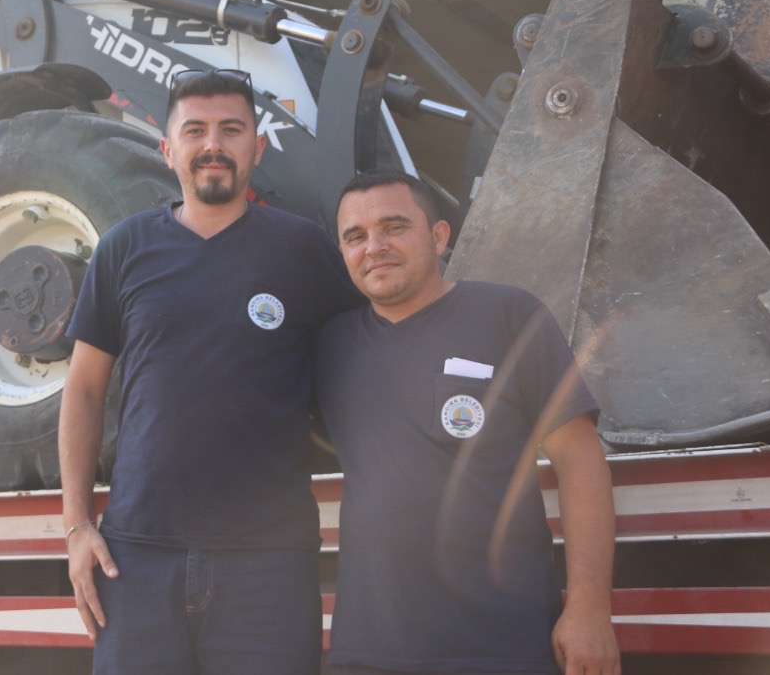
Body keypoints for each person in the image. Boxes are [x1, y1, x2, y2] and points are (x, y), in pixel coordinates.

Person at [59, 67, 363, 674]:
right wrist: (76, 528)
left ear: (258, 145)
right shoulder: (123, 248)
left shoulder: (303, 249)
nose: (212, 145)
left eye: (231, 129)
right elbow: (85, 390)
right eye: (194, 131)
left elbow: (361, 371)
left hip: (269, 561)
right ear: (169, 149)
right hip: (137, 557)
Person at [315, 171, 620, 675]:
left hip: (504, 646)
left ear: (439, 235)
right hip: (369, 651)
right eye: (355, 236)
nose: (375, 247)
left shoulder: (508, 315)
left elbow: (580, 458)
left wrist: (589, 607)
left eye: (394, 226)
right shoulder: (330, 346)